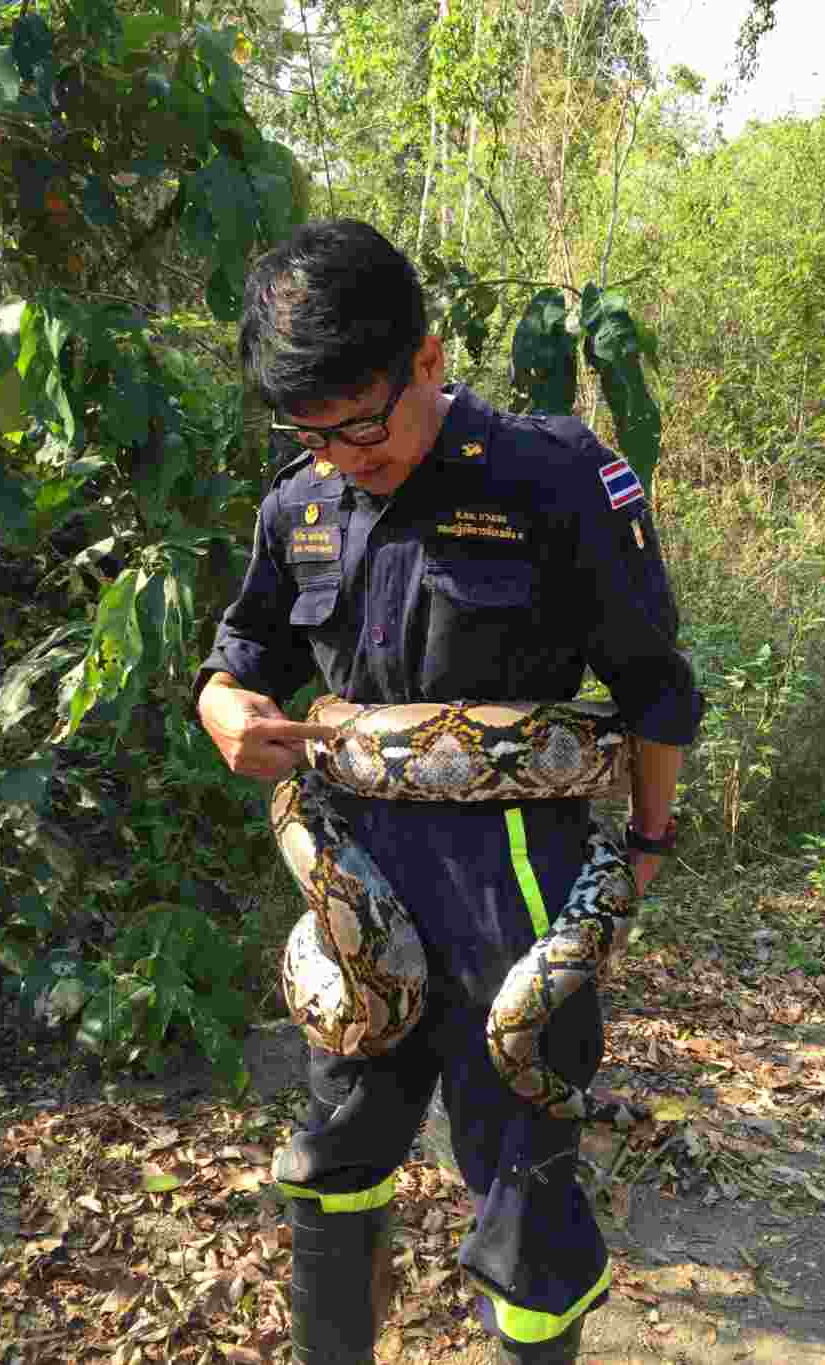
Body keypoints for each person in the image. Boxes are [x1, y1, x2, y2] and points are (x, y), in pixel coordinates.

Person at [195, 219, 704, 1365]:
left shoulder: (554, 474)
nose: (341, 454)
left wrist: (647, 841)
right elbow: (243, 653)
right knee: (334, 1147)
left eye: (361, 423)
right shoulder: (302, 501)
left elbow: (655, 683)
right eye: (309, 431)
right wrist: (220, 707)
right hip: (351, 877)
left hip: (512, 879)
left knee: (525, 1185)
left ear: (427, 358)